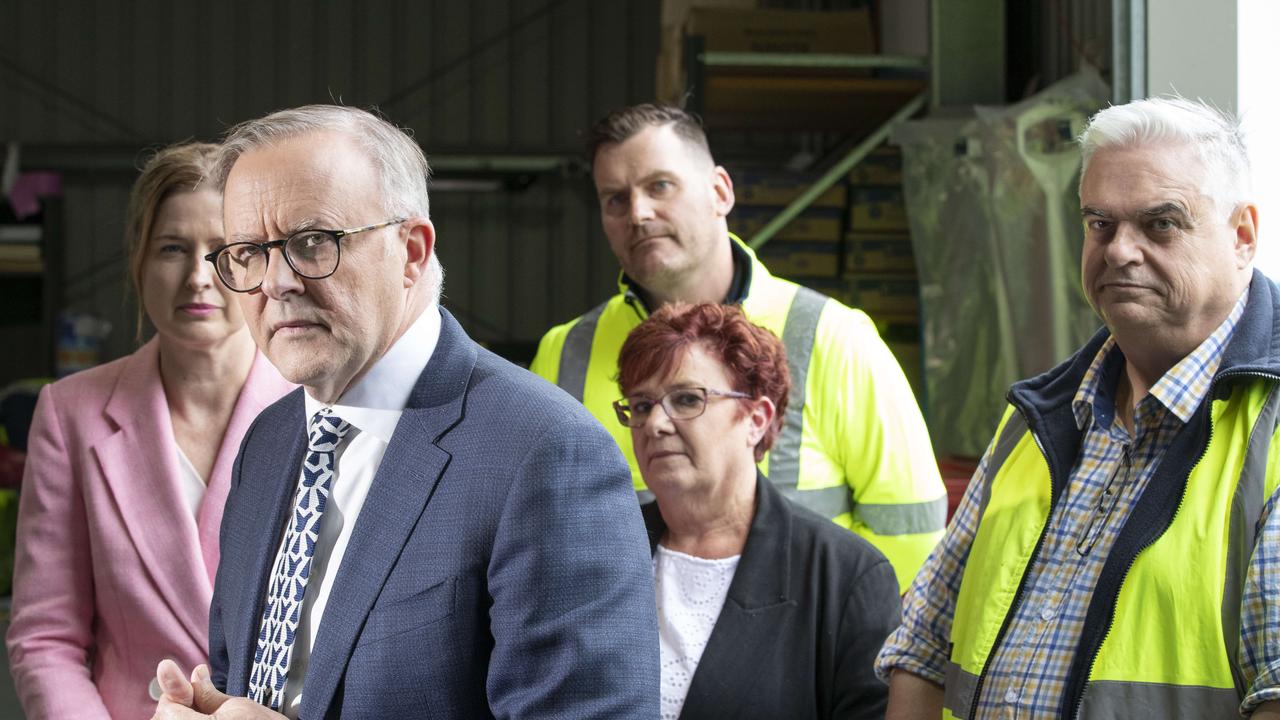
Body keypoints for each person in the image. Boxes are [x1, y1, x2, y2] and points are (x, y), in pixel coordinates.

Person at [150, 105, 658, 720]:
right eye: (249, 253)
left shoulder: (547, 454)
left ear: (412, 251)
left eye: (313, 243)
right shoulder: (269, 439)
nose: (275, 283)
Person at [877, 96, 1280, 719]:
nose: (1119, 250)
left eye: (1160, 224)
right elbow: (925, 642)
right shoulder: (1040, 416)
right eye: (1100, 224)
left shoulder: (1270, 433)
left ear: (1243, 235)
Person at [530, 103, 945, 590]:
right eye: (615, 200)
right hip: (630, 656)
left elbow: (911, 533)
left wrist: (845, 648)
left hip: (805, 654)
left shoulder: (834, 337)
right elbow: (537, 533)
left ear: (720, 191)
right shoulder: (564, 352)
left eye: (660, 186)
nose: (638, 213)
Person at [7, 142, 293, 719]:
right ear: (138, 259)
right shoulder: (71, 413)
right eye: (172, 248)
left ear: (259, 264)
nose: (196, 276)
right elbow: (45, 637)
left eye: (224, 251)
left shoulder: (320, 408)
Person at [619, 302, 899, 720]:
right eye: (641, 406)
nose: (656, 423)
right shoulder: (606, 549)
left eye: (686, 399)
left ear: (756, 418)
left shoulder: (847, 577)